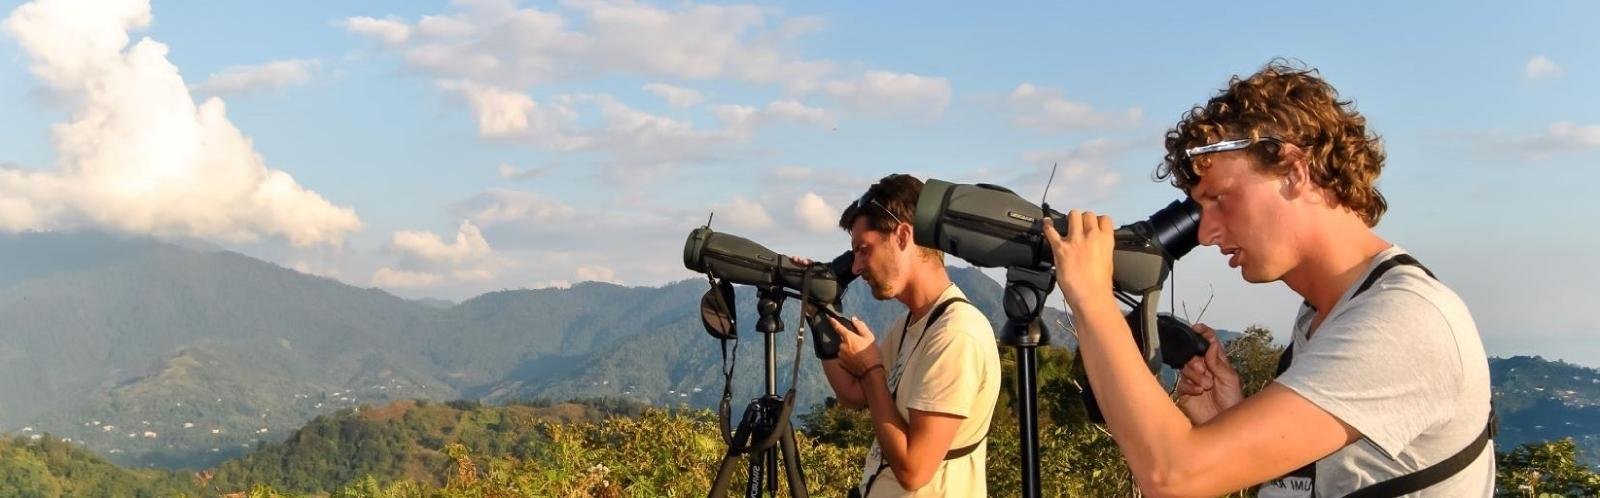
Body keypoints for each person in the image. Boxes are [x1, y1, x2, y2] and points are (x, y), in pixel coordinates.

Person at [1041, 61, 1494, 497]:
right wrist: (1234, 425)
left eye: (1219, 199)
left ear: (1295, 172)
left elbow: (1173, 475)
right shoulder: (1324, 316)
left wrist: (1092, 299)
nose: (1206, 232)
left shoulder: (1403, 320)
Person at [819, 173, 1003, 497]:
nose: (857, 267)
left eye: (864, 250)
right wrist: (819, 313)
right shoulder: (912, 324)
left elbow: (914, 470)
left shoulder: (956, 334)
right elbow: (852, 394)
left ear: (903, 236)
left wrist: (872, 369)